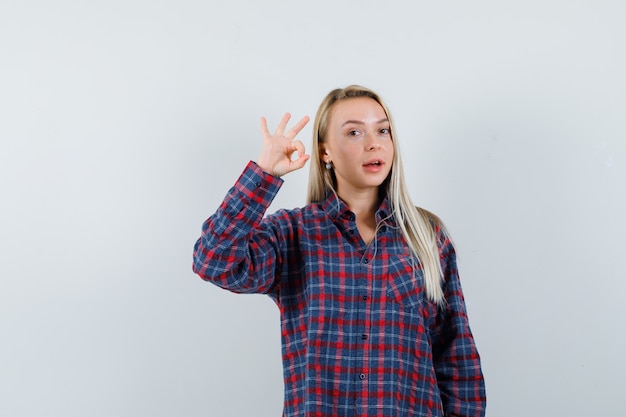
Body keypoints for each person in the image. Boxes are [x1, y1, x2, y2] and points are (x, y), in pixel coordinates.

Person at [193, 85, 486, 416]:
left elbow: (456, 356)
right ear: (325, 152)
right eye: (354, 132)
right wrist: (264, 175)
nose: (373, 142)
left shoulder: (427, 237)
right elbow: (213, 261)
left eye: (383, 130)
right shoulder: (292, 234)